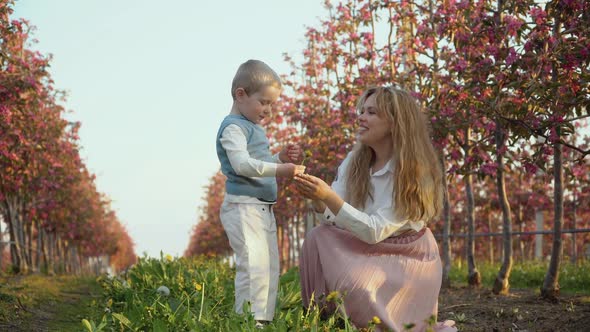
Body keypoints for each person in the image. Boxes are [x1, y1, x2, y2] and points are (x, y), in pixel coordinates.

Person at [294, 86, 456, 331]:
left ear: (394, 123)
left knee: (358, 285)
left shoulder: (414, 173)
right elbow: (334, 216)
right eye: (362, 111)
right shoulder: (355, 161)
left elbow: (375, 231)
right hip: (362, 247)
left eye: (371, 113)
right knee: (317, 236)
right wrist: (319, 199)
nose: (361, 117)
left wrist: (327, 196)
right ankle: (323, 320)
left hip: (407, 256)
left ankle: (368, 320)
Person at [216, 59, 304, 326]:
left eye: (271, 104)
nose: (268, 110)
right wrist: (281, 170)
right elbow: (242, 165)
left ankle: (263, 320)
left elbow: (259, 159)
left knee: (269, 267)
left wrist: (279, 157)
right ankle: (247, 321)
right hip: (244, 207)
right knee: (253, 266)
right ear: (240, 95)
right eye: (263, 102)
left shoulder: (254, 127)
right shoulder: (233, 128)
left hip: (262, 207)